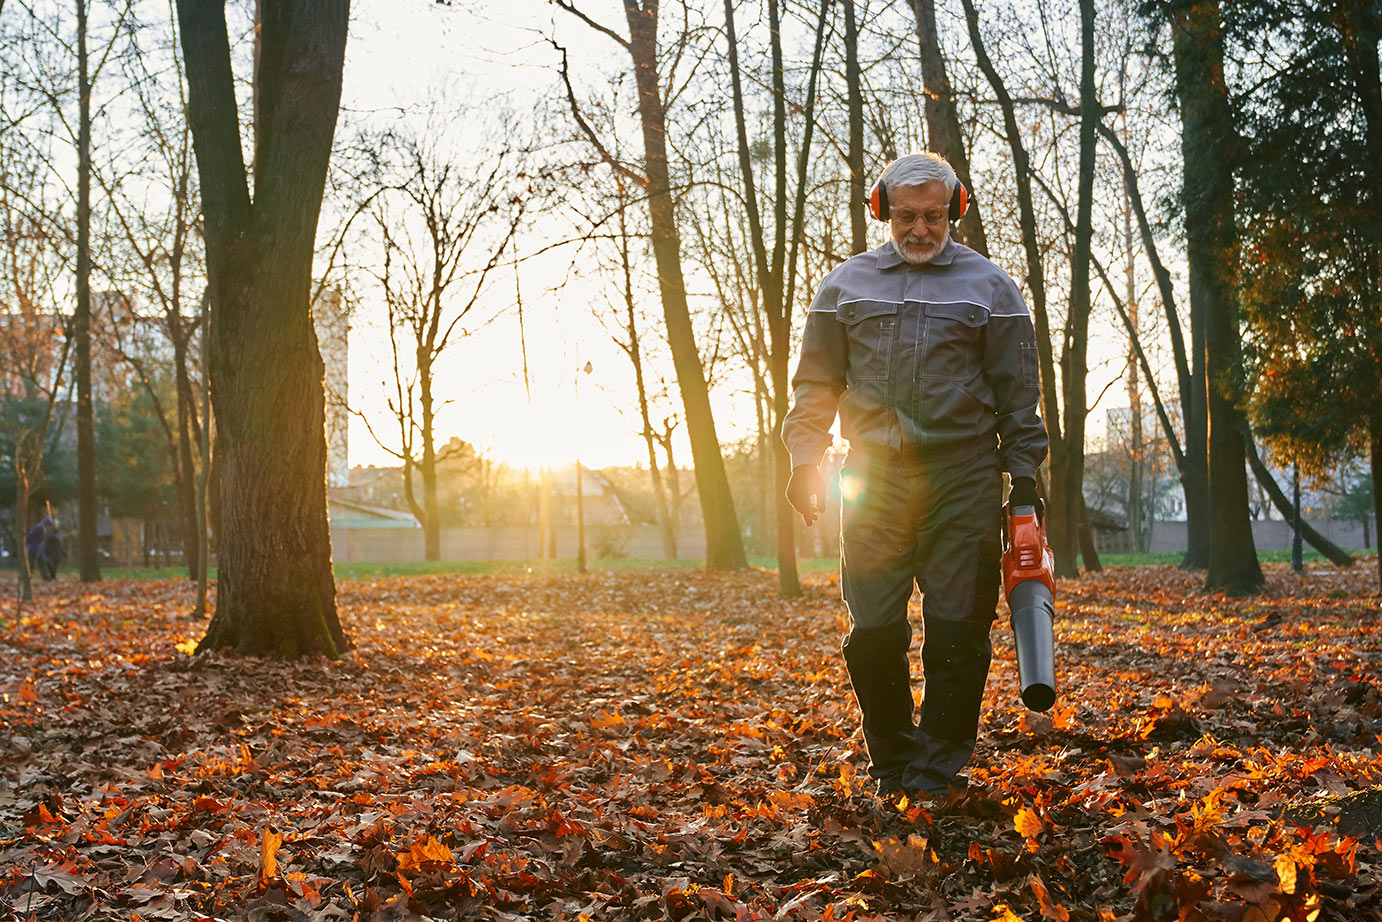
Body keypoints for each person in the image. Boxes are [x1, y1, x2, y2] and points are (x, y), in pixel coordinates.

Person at [781, 152, 1049, 798]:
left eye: (933, 216)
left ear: (955, 210)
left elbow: (1018, 396)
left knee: (958, 626)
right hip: (872, 477)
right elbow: (816, 385)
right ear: (883, 212)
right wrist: (804, 460)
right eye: (906, 216)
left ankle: (935, 769)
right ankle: (895, 758)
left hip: (962, 477)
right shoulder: (845, 287)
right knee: (872, 627)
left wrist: (1025, 482)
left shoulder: (992, 289)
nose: (920, 229)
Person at [26, 516, 62, 581]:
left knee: (43, 563)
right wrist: (33, 547)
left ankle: (45, 577)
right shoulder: (38, 528)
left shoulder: (43, 529)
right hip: (34, 549)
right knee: (31, 564)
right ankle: (27, 577)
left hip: (40, 550)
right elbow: (30, 537)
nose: (50, 527)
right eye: (49, 525)